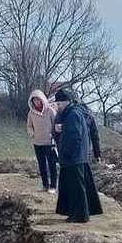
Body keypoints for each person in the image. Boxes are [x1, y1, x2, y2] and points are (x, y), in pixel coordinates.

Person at [53, 89, 102, 223]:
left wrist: (66, 153)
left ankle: (80, 215)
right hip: (77, 156)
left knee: (76, 187)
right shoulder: (73, 113)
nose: (58, 107)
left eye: (59, 104)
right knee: (78, 186)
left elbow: (75, 137)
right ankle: (79, 213)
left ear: (67, 102)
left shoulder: (73, 114)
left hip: (74, 157)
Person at [26, 90, 58, 193]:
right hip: (37, 143)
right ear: (32, 101)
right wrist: (32, 134)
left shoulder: (50, 111)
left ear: (42, 99)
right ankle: (45, 185)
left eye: (38, 100)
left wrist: (53, 135)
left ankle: (53, 186)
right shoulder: (31, 113)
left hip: (49, 143)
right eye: (34, 100)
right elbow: (29, 126)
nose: (36, 102)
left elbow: (56, 123)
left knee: (52, 164)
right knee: (42, 165)